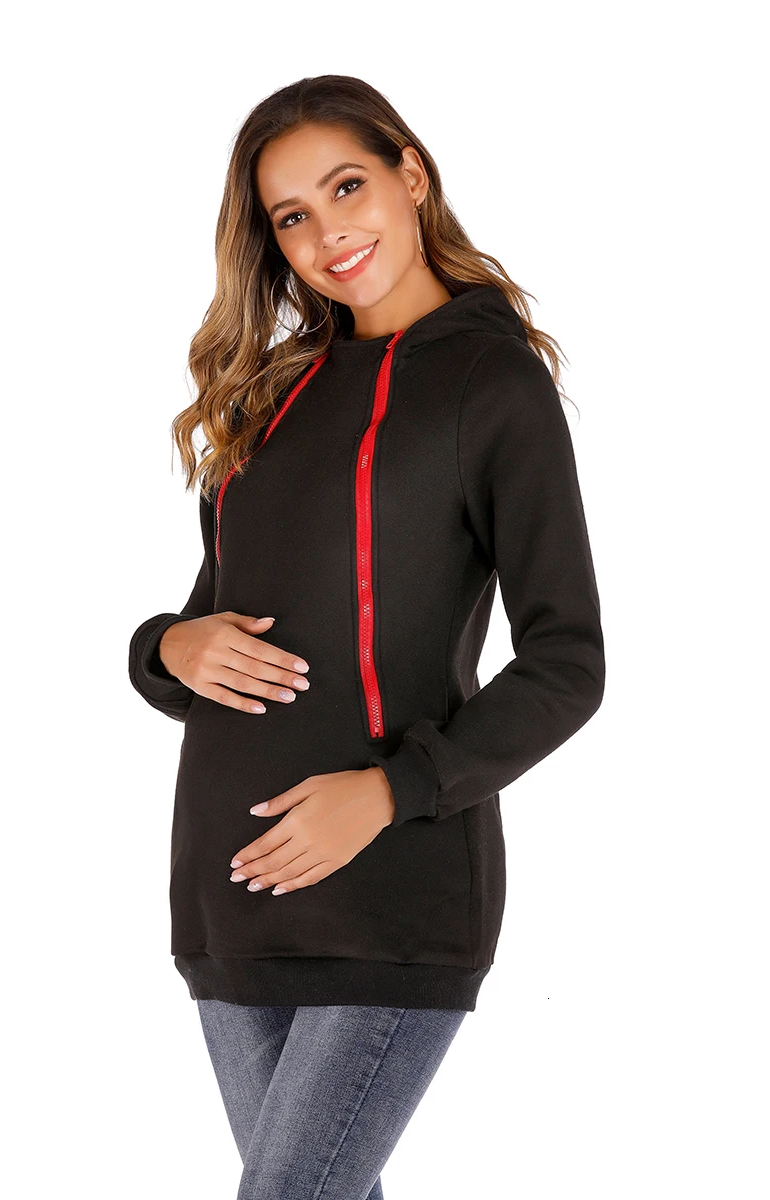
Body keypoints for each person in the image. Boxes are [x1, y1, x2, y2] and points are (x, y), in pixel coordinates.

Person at [128, 74, 605, 1200]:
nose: (327, 233)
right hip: (227, 888)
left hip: (390, 886)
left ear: (410, 173)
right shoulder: (272, 395)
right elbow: (211, 618)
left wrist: (391, 792)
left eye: (346, 187)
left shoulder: (492, 382)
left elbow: (567, 662)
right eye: (292, 215)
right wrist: (163, 648)